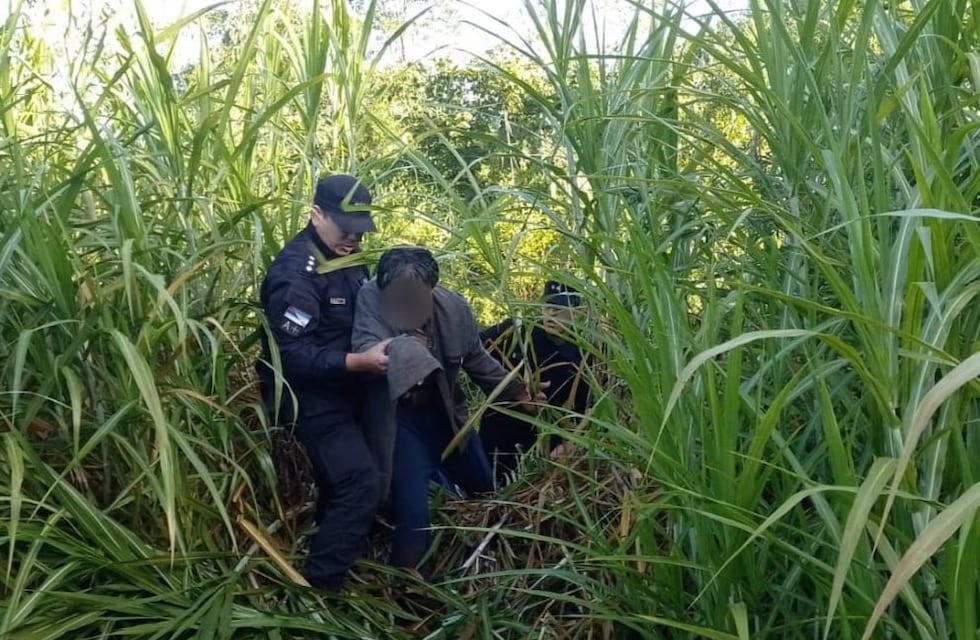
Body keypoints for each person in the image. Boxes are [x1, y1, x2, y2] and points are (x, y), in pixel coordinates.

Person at [352, 247, 539, 572]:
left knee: (485, 489)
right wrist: (406, 348)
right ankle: (409, 587)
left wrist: (520, 393)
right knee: (414, 509)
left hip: (447, 414)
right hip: (401, 419)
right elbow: (367, 347)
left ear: (432, 288)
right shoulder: (370, 299)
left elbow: (477, 359)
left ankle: (492, 568)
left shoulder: (454, 309)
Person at [256, 174, 391, 593]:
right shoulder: (298, 273)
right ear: (315, 215)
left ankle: (335, 551)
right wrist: (356, 361)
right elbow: (291, 355)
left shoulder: (347, 256)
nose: (353, 239)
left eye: (359, 230)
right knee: (359, 482)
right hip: (309, 398)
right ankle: (321, 591)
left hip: (350, 388)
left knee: (363, 479)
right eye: (345, 229)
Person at [479, 280, 591, 481]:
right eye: (547, 305)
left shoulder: (582, 357)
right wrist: (510, 384)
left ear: (578, 312)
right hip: (498, 437)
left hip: (542, 453)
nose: (551, 312)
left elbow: (586, 411)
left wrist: (570, 444)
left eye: (559, 307)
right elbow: (472, 351)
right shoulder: (518, 332)